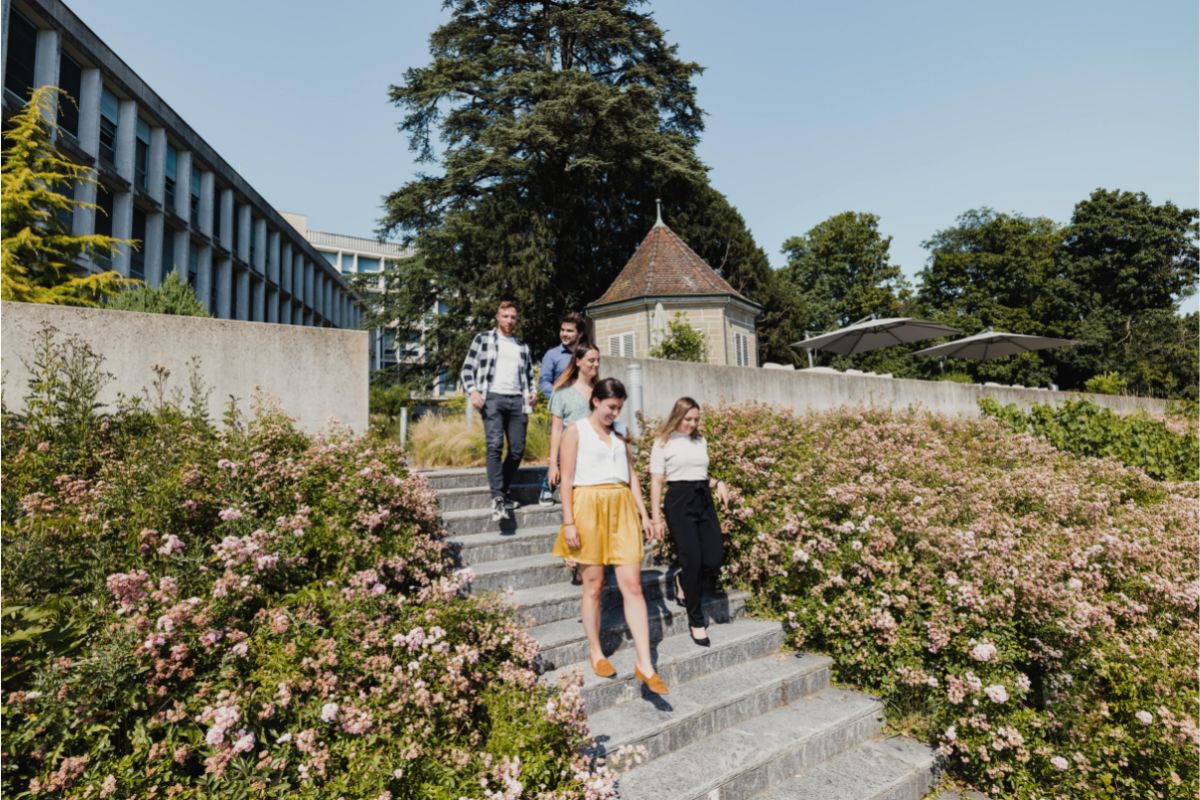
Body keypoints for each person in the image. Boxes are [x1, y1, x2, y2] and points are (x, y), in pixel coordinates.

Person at [552, 378, 668, 694]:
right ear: (596, 402)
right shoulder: (575, 432)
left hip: (621, 510)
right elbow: (567, 480)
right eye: (610, 407)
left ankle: (645, 664)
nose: (614, 413)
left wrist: (644, 516)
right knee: (593, 586)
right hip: (588, 506)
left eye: (619, 408)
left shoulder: (620, 439)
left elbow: (632, 478)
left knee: (632, 585)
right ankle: (596, 651)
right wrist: (569, 522)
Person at [649, 397, 730, 647]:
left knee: (714, 557)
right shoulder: (663, 442)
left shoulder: (700, 440)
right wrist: (656, 517)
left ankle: (682, 581)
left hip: (703, 498)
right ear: (678, 416)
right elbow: (656, 481)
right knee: (692, 561)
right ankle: (696, 621)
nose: (693, 424)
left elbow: (699, 473)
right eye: (688, 419)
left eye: (696, 419)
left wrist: (717, 483)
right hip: (678, 502)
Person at [460, 300, 538, 522]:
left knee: (517, 449)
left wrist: (532, 393)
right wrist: (473, 391)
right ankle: (498, 498)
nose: (510, 321)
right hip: (492, 398)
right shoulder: (483, 339)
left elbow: (529, 376)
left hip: (517, 402)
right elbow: (467, 368)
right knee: (494, 444)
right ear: (497, 317)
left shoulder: (522, 346)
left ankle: (501, 491)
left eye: (513, 317)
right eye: (505, 316)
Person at [547, 343, 602, 583]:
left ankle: (586, 558)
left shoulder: (601, 391)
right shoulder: (562, 394)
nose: (596, 365)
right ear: (578, 362)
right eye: (591, 360)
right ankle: (575, 555)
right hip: (573, 459)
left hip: (597, 460)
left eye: (598, 361)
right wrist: (553, 463)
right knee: (575, 508)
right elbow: (556, 430)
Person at [537, 312, 586, 505]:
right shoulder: (553, 355)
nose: (564, 334)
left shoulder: (584, 353)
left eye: (569, 331)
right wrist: (560, 398)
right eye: (562, 330)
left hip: (584, 409)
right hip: (563, 410)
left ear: (579, 333)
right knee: (561, 451)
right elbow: (544, 382)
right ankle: (546, 488)